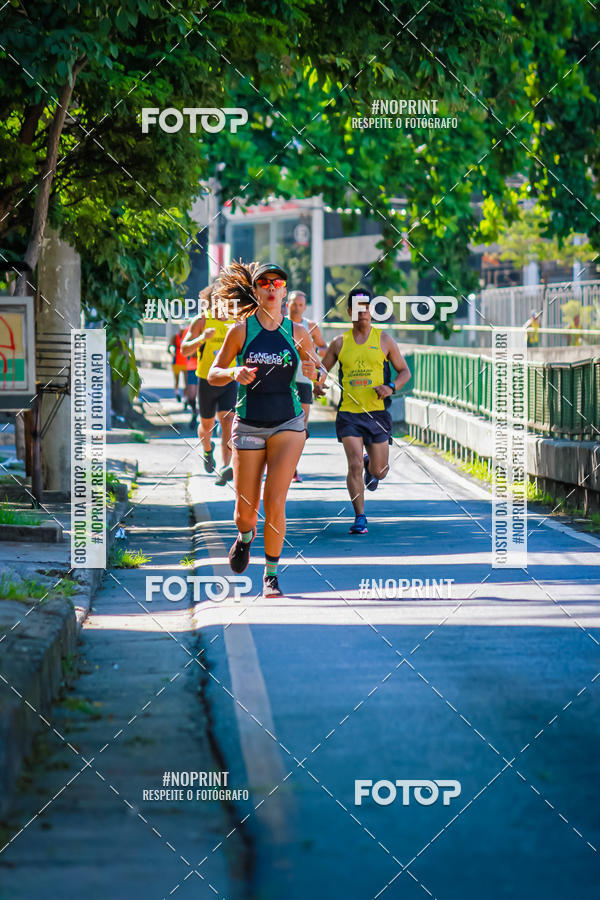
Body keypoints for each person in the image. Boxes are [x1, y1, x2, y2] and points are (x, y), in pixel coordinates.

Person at [208, 261, 319, 597]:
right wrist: (233, 373)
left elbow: (316, 375)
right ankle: (245, 537)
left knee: (275, 501)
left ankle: (271, 575)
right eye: (265, 283)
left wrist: (317, 373)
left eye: (278, 282)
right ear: (256, 291)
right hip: (249, 424)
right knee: (245, 512)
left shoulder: (298, 332)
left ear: (284, 291)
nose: (272, 287)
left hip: (289, 422)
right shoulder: (240, 331)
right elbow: (213, 372)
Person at [315, 286, 410, 535]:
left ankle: (372, 467)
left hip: (376, 413)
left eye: (367, 307)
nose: (364, 312)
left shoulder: (384, 340)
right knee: (353, 464)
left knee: (381, 470)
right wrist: (317, 386)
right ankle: (360, 516)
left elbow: (404, 371)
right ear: (350, 312)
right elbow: (323, 370)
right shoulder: (339, 342)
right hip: (349, 414)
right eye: (358, 307)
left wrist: (391, 387)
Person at [181, 285, 237, 483]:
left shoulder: (235, 321)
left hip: (229, 379)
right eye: (219, 299)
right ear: (212, 300)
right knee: (207, 425)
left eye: (226, 299)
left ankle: (225, 466)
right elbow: (184, 349)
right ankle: (207, 450)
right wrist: (201, 338)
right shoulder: (202, 320)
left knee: (228, 422)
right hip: (206, 380)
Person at [286, 289, 327, 482]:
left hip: (303, 380)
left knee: (301, 426)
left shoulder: (309, 326)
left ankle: (293, 467)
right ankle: (284, 465)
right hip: (283, 379)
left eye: (301, 304)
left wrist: (314, 352)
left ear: (305, 307)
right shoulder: (279, 323)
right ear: (288, 304)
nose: (297, 308)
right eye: (294, 304)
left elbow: (324, 348)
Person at [169, 325, 187, 401]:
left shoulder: (187, 338)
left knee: (186, 382)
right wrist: (172, 351)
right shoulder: (175, 337)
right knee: (177, 380)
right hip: (176, 363)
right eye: (181, 330)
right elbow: (170, 347)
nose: (182, 332)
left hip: (186, 363)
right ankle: (177, 393)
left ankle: (186, 397)